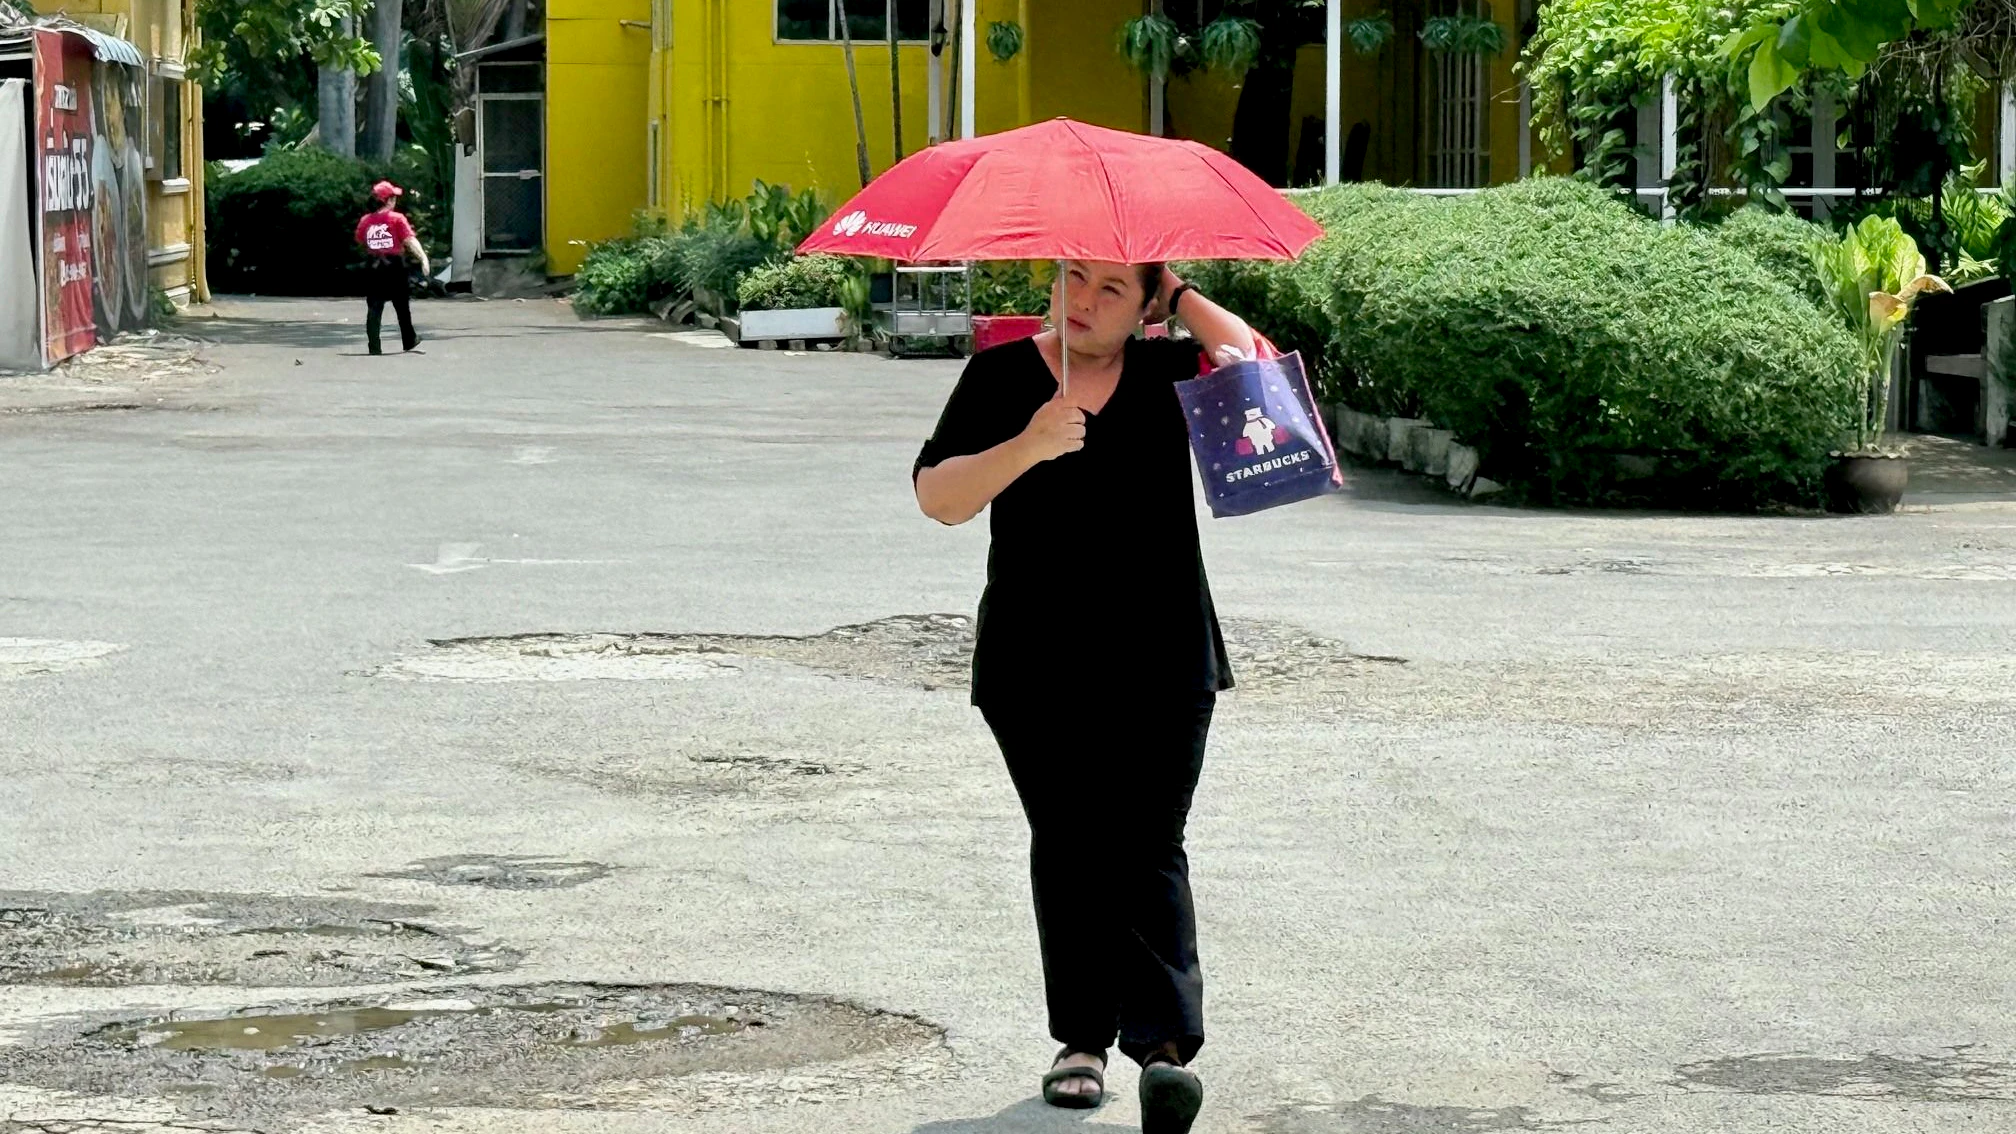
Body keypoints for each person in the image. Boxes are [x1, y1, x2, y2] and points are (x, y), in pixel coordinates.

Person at [911, 261, 1257, 1134]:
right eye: (1074, 277)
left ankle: (1165, 1052)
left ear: (1146, 309)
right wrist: (1028, 444)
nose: (1083, 301)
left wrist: (1180, 294)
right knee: (1069, 842)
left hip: (1165, 653)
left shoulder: (1169, 372)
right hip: (1038, 662)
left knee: (1148, 841)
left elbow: (1253, 367)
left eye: (1112, 288)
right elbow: (937, 497)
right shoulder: (1001, 375)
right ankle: (1080, 1044)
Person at [354, 181, 428, 355]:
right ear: (387, 200)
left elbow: (360, 239)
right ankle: (409, 340)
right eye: (393, 197)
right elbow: (409, 240)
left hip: (373, 265)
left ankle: (374, 346)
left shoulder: (366, 221)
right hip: (395, 265)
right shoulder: (396, 218)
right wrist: (423, 258)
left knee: (374, 307)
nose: (395, 201)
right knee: (402, 305)